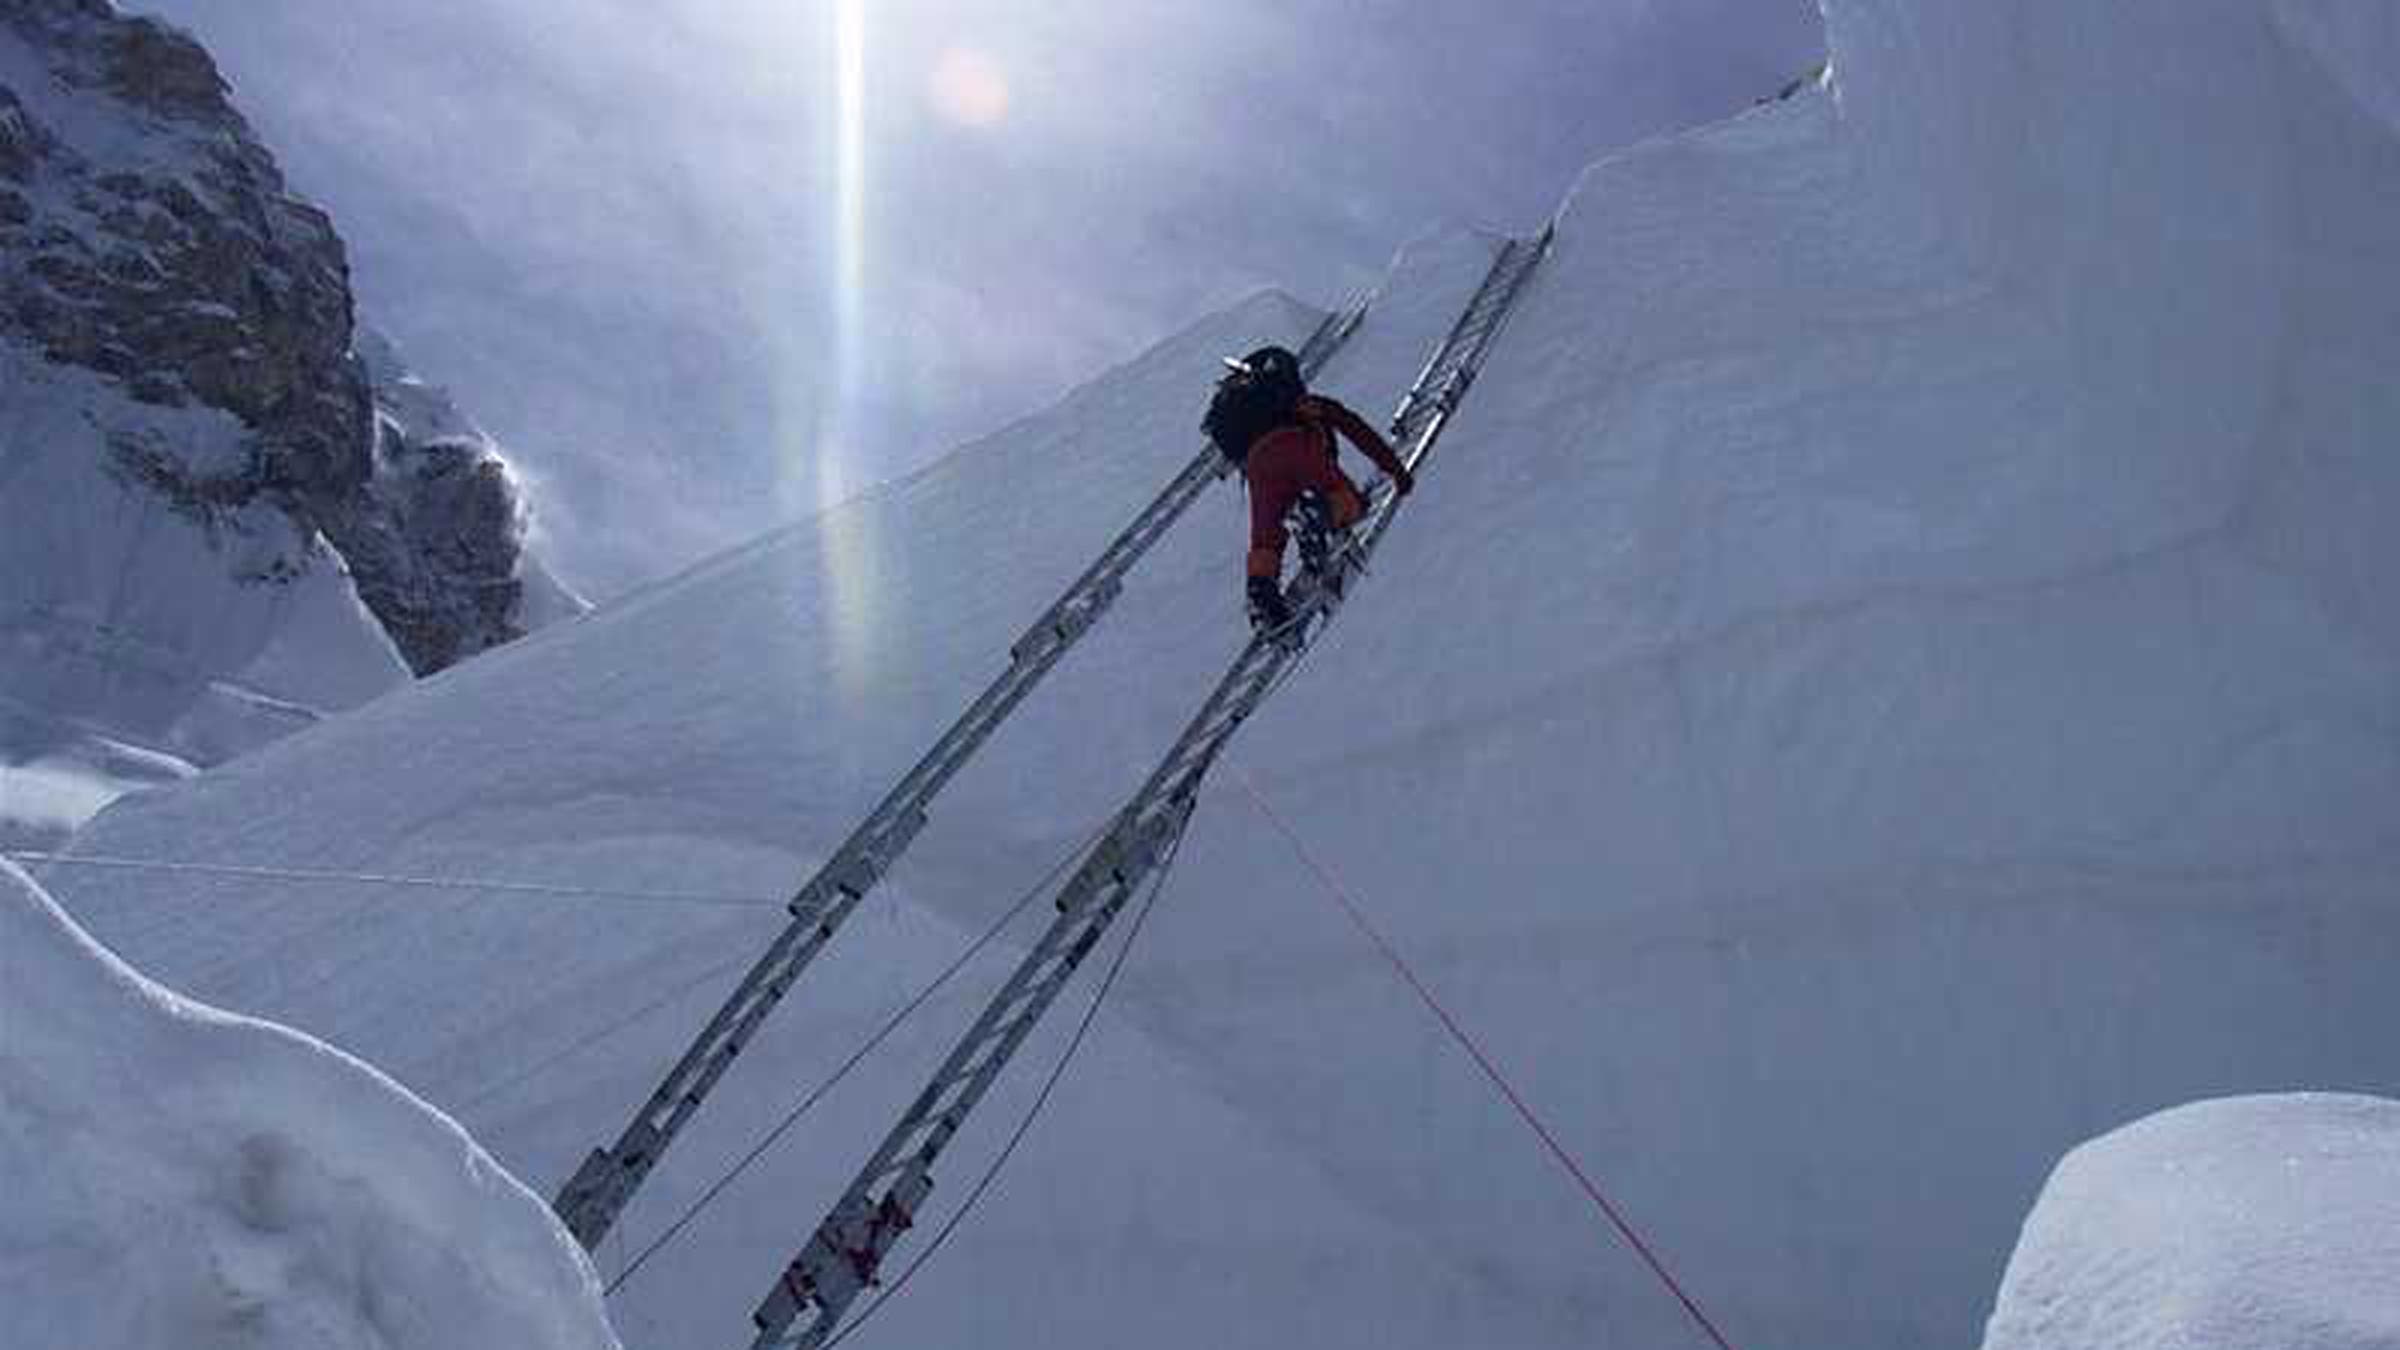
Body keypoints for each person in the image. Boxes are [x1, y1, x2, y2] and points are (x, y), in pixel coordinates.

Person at [1202, 345, 1414, 631]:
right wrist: (1396, 470)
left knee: (1266, 539)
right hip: (1297, 448)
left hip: (1257, 467)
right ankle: (1318, 514)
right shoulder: (1309, 405)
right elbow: (1357, 430)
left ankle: (1262, 592)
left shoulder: (1251, 421)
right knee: (1348, 504)